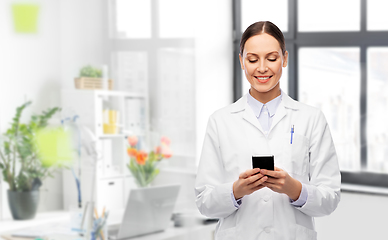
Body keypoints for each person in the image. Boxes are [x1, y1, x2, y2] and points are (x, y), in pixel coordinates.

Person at [194, 21, 341, 240]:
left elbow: (330, 198)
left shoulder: (311, 119)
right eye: (252, 59)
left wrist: (294, 189)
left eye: (271, 58)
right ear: (242, 62)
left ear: (285, 59)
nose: (262, 68)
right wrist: (236, 191)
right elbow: (204, 202)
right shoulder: (220, 121)